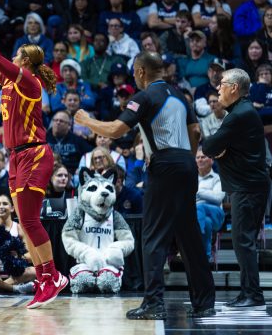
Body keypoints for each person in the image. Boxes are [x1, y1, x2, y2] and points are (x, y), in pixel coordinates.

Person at [74, 51, 216, 319]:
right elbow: (196, 131)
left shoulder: (146, 96)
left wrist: (86, 121)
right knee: (189, 236)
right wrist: (186, 157)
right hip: (187, 164)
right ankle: (204, 302)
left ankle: (153, 303)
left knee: (153, 235)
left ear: (140, 72)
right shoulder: (181, 96)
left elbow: (116, 130)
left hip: (164, 165)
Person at [0, 4, 68, 308]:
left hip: (35, 153)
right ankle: (44, 278)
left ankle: (53, 275)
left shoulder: (28, 82)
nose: (12, 57)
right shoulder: (9, 81)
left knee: (32, 221)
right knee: (24, 221)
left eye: (18, 55)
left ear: (26, 63)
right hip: (17, 156)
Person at [202, 68, 271, 309]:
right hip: (249, 186)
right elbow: (216, 148)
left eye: (221, 84)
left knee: (243, 242)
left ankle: (253, 294)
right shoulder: (241, 112)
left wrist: (220, 149)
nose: (218, 88)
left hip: (249, 187)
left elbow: (209, 147)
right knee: (243, 241)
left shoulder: (238, 115)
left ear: (234, 87)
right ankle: (247, 293)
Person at [0, 194, 36, 294]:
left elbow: (32, 256)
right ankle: (12, 288)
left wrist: (18, 257)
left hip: (14, 275)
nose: (1, 206)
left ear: (12, 208)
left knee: (34, 271)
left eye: (5, 204)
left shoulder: (19, 229)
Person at [195, 148, 226, 262]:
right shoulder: (192, 179)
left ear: (211, 160)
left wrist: (198, 192)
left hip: (216, 214)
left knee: (200, 207)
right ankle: (206, 257)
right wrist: (207, 194)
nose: (200, 160)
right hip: (199, 216)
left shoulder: (218, 178)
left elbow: (218, 198)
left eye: (203, 157)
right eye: (197, 157)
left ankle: (196, 237)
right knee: (206, 222)